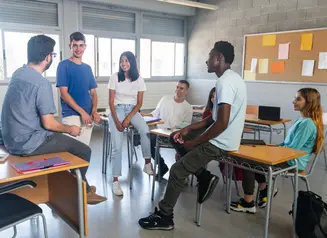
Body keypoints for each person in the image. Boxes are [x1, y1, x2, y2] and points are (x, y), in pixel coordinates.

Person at [138, 41, 247, 230]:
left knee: (177, 171)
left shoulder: (225, 82)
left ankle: (165, 217)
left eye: (210, 55)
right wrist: (188, 130)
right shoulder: (233, 79)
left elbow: (222, 123)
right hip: (220, 137)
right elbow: (213, 119)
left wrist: (195, 142)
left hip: (220, 143)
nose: (206, 60)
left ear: (219, 58)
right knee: (175, 137)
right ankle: (203, 176)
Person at [0, 35, 107, 205]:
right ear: (47, 56)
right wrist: (70, 129)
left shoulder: (18, 73)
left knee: (65, 144)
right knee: (83, 151)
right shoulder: (42, 82)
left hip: (11, 138)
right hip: (28, 142)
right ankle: (81, 192)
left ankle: (81, 186)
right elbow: (49, 123)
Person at [230, 88, 324, 214]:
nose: (293, 101)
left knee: (247, 163)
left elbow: (292, 150)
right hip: (288, 157)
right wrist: (270, 147)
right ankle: (265, 189)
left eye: (298, 99)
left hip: (292, 162)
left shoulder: (307, 124)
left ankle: (248, 203)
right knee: (252, 158)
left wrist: (269, 152)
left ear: (309, 102)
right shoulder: (302, 120)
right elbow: (286, 144)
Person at [108, 51, 154, 196]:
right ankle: (115, 181)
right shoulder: (115, 77)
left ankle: (147, 163)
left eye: (127, 61)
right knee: (117, 146)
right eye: (121, 61)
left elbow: (139, 103)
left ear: (132, 63)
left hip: (133, 110)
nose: (124, 64)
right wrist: (117, 120)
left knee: (145, 130)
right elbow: (110, 102)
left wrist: (128, 118)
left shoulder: (139, 79)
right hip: (117, 109)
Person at [56, 32, 100, 145]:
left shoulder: (87, 68)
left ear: (85, 47)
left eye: (81, 45)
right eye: (75, 45)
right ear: (70, 46)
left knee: (84, 153)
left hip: (88, 116)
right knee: (70, 155)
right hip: (71, 115)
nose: (78, 49)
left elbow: (94, 93)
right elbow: (64, 94)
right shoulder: (63, 66)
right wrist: (82, 113)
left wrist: (94, 111)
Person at [149, 80, 193, 177]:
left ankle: (182, 174)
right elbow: (155, 113)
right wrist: (144, 115)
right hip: (160, 132)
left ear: (186, 91)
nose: (178, 90)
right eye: (177, 87)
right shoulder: (165, 99)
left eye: (181, 88)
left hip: (175, 135)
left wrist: (174, 130)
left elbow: (186, 124)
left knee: (184, 147)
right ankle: (161, 165)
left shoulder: (188, 107)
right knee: (147, 142)